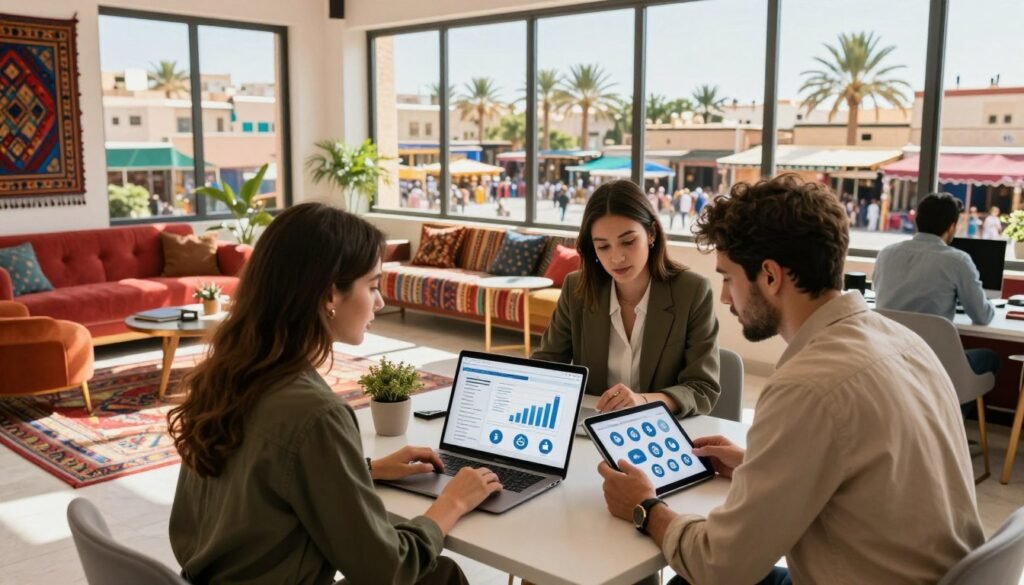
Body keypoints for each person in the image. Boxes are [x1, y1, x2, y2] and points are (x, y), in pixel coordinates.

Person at [597, 174, 983, 585]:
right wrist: (757, 464)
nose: (726, 298)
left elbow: (718, 566)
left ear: (770, 275)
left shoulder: (807, 387)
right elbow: (868, 470)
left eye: (728, 278)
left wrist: (645, 507)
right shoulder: (907, 343)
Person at [167, 203, 502, 585]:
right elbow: (388, 569)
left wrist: (364, 469)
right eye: (373, 286)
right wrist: (452, 503)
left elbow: (261, 479)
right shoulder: (315, 413)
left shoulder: (226, 375)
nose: (380, 302)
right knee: (436, 575)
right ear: (330, 294)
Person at [532, 179, 720, 417]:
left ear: (651, 233)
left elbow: (702, 388)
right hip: (594, 428)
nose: (616, 258)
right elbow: (547, 365)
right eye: (603, 246)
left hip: (661, 428)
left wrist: (642, 400)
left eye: (628, 241)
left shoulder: (692, 291)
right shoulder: (576, 288)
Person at [874, 192, 999, 377]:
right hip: (935, 366)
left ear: (918, 221)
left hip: (890, 362)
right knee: (991, 358)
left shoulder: (885, 254)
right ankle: (954, 406)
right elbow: (982, 316)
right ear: (951, 226)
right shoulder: (958, 260)